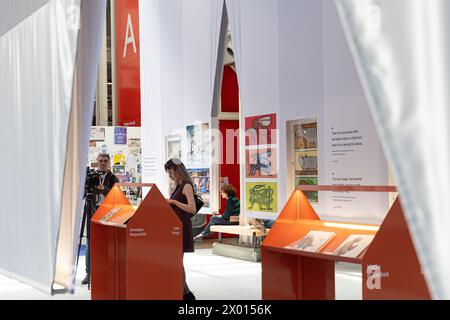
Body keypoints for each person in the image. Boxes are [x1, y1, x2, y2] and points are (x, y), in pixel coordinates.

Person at [82, 153, 119, 286]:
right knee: (90, 244)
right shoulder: (91, 177)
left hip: (108, 214)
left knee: (107, 244)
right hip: (92, 211)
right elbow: (83, 195)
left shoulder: (114, 178)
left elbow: (116, 196)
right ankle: (89, 273)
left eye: (105, 161)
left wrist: (103, 189)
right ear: (97, 162)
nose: (103, 163)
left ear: (109, 163)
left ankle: (106, 272)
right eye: (101, 161)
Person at [165, 158, 197, 300]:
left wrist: (174, 202)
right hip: (175, 227)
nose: (170, 175)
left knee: (178, 262)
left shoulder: (186, 186)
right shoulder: (178, 186)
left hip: (182, 228)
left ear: (177, 170)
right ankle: (185, 293)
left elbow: (192, 208)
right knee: (176, 262)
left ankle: (186, 294)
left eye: (171, 172)